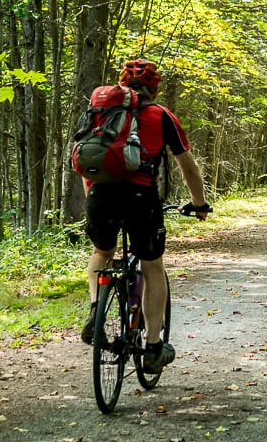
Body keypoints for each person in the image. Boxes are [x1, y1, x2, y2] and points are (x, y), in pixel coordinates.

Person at [80, 59, 211, 374]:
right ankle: (153, 347)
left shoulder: (101, 114)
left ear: (122, 85)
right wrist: (199, 204)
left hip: (100, 195)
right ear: (155, 88)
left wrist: (93, 198)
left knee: (102, 251)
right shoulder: (161, 115)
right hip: (140, 199)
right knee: (152, 265)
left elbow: (88, 160)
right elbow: (187, 165)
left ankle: (97, 313)